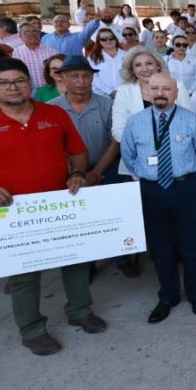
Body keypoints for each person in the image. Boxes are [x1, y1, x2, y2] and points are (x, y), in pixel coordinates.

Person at [0, 58, 104, 355]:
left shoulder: (54, 114)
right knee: (24, 272)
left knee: (75, 260)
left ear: (30, 82)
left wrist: (76, 173)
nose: (13, 87)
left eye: (19, 80)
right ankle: (32, 329)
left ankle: (80, 311)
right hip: (10, 211)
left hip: (58, 204)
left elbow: (77, 151)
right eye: (4, 83)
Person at [120, 73, 196, 324]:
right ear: (147, 93)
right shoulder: (135, 122)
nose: (160, 92)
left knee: (191, 245)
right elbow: (128, 156)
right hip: (152, 191)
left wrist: (188, 177)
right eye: (155, 88)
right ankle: (168, 296)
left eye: (166, 88)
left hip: (185, 188)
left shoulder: (191, 120)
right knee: (160, 248)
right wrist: (148, 176)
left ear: (176, 93)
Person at [50, 55, 135, 277]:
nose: (80, 81)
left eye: (86, 76)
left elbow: (115, 140)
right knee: (79, 221)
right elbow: (54, 146)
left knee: (116, 214)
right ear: (63, 78)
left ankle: (122, 256)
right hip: (69, 173)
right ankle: (86, 263)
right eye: (74, 76)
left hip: (106, 167)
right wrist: (76, 173)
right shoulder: (52, 109)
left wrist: (96, 172)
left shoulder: (107, 104)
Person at [110, 47, 196, 178]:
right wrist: (149, 144)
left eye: (149, 63)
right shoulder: (124, 92)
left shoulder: (178, 86)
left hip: (178, 162)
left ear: (158, 65)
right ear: (132, 70)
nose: (144, 69)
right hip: (138, 165)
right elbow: (118, 132)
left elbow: (193, 125)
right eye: (138, 65)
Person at [11, 21, 60, 89]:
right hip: (28, 90)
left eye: (35, 31)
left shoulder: (52, 51)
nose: (32, 34)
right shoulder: (16, 53)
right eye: (27, 32)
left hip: (49, 90)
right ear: (20, 36)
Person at [89, 28, 126, 96]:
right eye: (103, 39)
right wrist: (110, 92)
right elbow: (92, 77)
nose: (108, 41)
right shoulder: (93, 57)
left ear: (115, 39)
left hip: (124, 94)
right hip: (101, 95)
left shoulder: (126, 55)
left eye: (111, 38)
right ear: (99, 41)